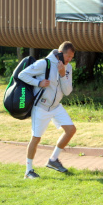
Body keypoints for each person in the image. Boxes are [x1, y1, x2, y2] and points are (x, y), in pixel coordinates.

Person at [18, 41, 76, 179]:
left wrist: (63, 74)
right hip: (41, 107)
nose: (69, 60)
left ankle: (53, 160)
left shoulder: (68, 68)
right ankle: (28, 171)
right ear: (61, 54)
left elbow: (67, 91)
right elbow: (22, 75)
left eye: (72, 57)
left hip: (56, 106)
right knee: (36, 138)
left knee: (71, 130)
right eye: (68, 56)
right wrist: (38, 83)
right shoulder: (44, 63)